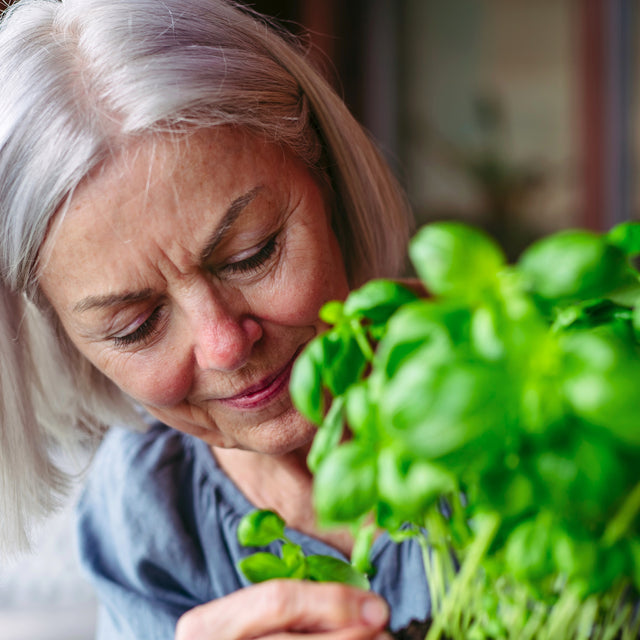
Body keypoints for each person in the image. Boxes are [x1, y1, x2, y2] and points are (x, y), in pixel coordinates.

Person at [0, 0, 429, 638]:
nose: (225, 345)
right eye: (135, 326)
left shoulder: (539, 399)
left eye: (252, 255)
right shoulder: (144, 512)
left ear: (325, 176)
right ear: (66, 340)